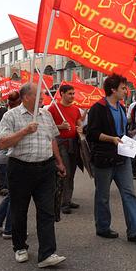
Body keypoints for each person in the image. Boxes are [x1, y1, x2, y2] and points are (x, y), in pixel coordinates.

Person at [0, 83, 67, 268]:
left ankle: (47, 253)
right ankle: (20, 247)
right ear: (27, 97)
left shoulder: (47, 114)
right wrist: (25, 131)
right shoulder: (10, 116)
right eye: (40, 94)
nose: (44, 97)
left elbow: (52, 139)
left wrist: (59, 161)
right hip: (20, 169)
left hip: (46, 169)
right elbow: (2, 143)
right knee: (19, 210)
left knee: (47, 211)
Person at [86, 74, 136, 242]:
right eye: (122, 88)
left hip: (122, 158)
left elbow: (121, 132)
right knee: (103, 196)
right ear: (113, 89)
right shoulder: (98, 108)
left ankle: (134, 231)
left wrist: (132, 133)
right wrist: (111, 139)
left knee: (129, 193)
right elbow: (91, 133)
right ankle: (103, 227)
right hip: (104, 159)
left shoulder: (121, 107)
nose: (125, 91)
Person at [0, 91, 21, 239]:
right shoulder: (13, 115)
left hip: (3, 159)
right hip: (7, 159)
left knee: (13, 194)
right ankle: (9, 229)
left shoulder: (10, 113)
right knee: (17, 195)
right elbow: (7, 141)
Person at [48, 85, 83, 215]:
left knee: (72, 173)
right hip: (60, 143)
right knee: (64, 172)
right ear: (62, 94)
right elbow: (47, 126)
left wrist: (80, 128)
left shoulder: (75, 109)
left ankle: (67, 199)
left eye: (73, 93)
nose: (72, 96)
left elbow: (79, 122)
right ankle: (62, 202)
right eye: (70, 93)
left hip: (74, 143)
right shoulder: (53, 108)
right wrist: (60, 126)